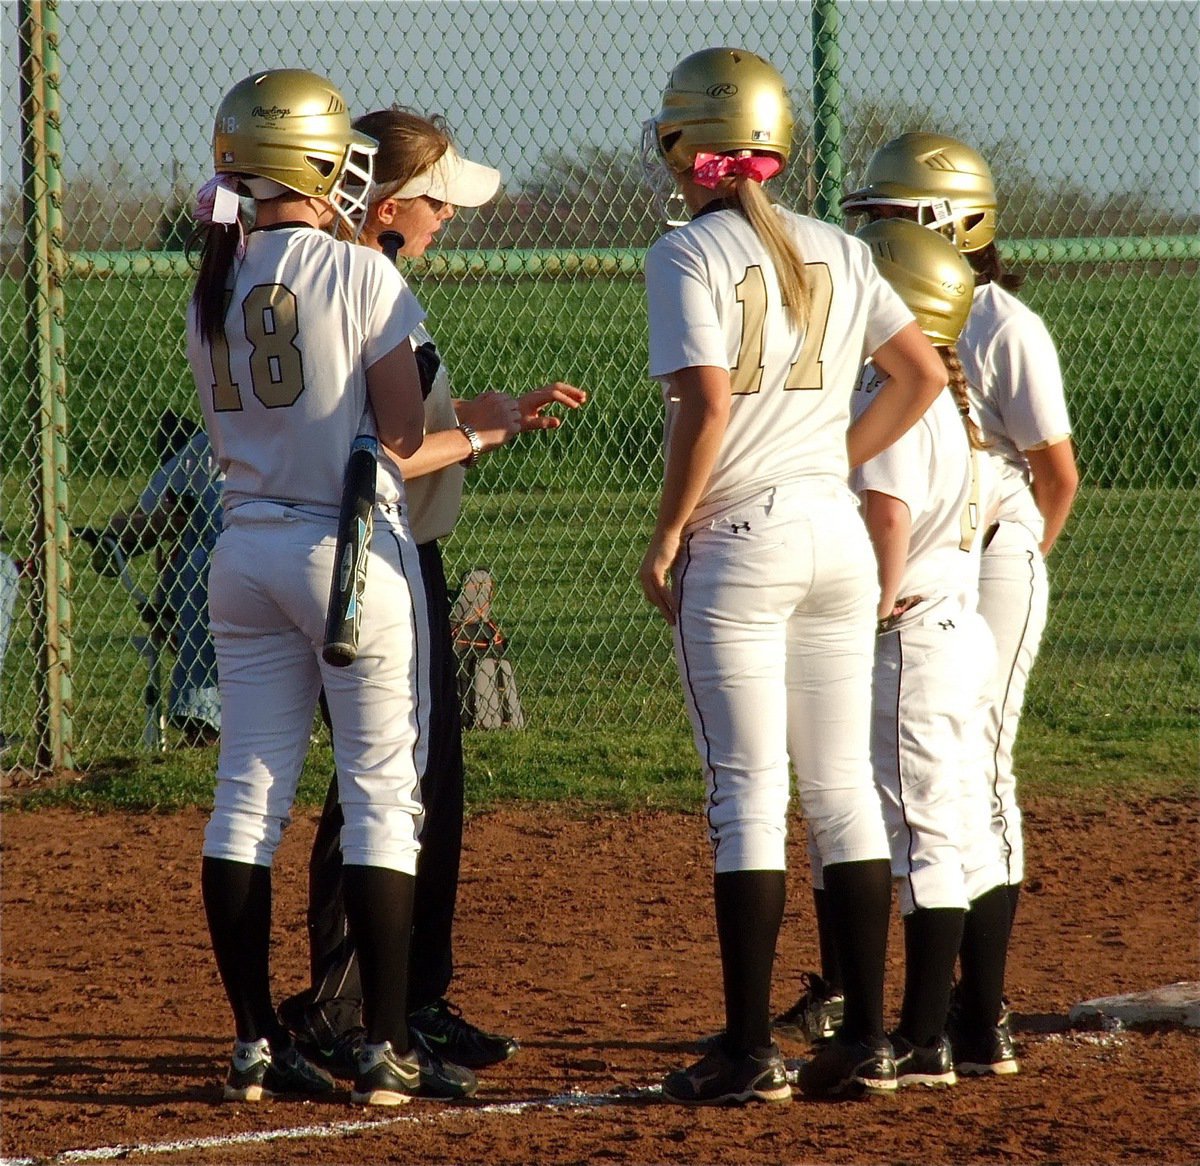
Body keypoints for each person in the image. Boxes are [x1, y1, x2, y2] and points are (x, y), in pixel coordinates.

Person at [637, 47, 946, 1105]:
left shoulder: (686, 252)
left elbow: (709, 406)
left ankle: (747, 1048)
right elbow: (924, 375)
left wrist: (668, 530)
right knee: (844, 789)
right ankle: (868, 1040)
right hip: (835, 535)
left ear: (688, 144)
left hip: (744, 538)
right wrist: (837, 457)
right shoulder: (840, 248)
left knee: (748, 793)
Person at [277, 106, 586, 1093]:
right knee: (380, 787)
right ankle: (336, 1010)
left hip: (409, 554)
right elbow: (388, 451)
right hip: (368, 554)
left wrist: (494, 417)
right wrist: (487, 429)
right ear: (391, 200)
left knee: (430, 783)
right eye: (440, 200)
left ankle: (410, 996)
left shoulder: (367, 281)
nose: (450, 217)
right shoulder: (358, 290)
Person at [187, 68, 438, 1107]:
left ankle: (253, 1040)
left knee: (247, 794)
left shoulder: (213, 279)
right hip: (346, 547)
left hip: (243, 549)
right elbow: (408, 430)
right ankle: (382, 1043)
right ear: (321, 161)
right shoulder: (362, 274)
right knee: (383, 791)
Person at [841, 132, 1079, 1075]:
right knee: (945, 778)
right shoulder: (906, 322)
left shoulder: (1002, 323)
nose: (877, 234)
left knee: (976, 767)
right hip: (950, 545)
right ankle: (953, 1009)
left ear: (947, 222)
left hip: (992, 550)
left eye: (895, 216)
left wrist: (990, 568)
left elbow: (1055, 475)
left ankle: (974, 1010)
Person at [845, 218, 1010, 1087]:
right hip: (959, 627)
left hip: (914, 637)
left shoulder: (895, 403)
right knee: (956, 830)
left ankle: (921, 1037)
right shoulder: (955, 403)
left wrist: (870, 608)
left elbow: (887, 517)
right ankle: (967, 1028)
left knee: (918, 838)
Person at [76, 412, 223, 746]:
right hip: (205, 578)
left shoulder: (282, 446)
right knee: (204, 544)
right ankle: (203, 719)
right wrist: (168, 518)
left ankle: (205, 721)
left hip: (254, 568)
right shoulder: (200, 452)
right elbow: (137, 520)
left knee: (215, 514)